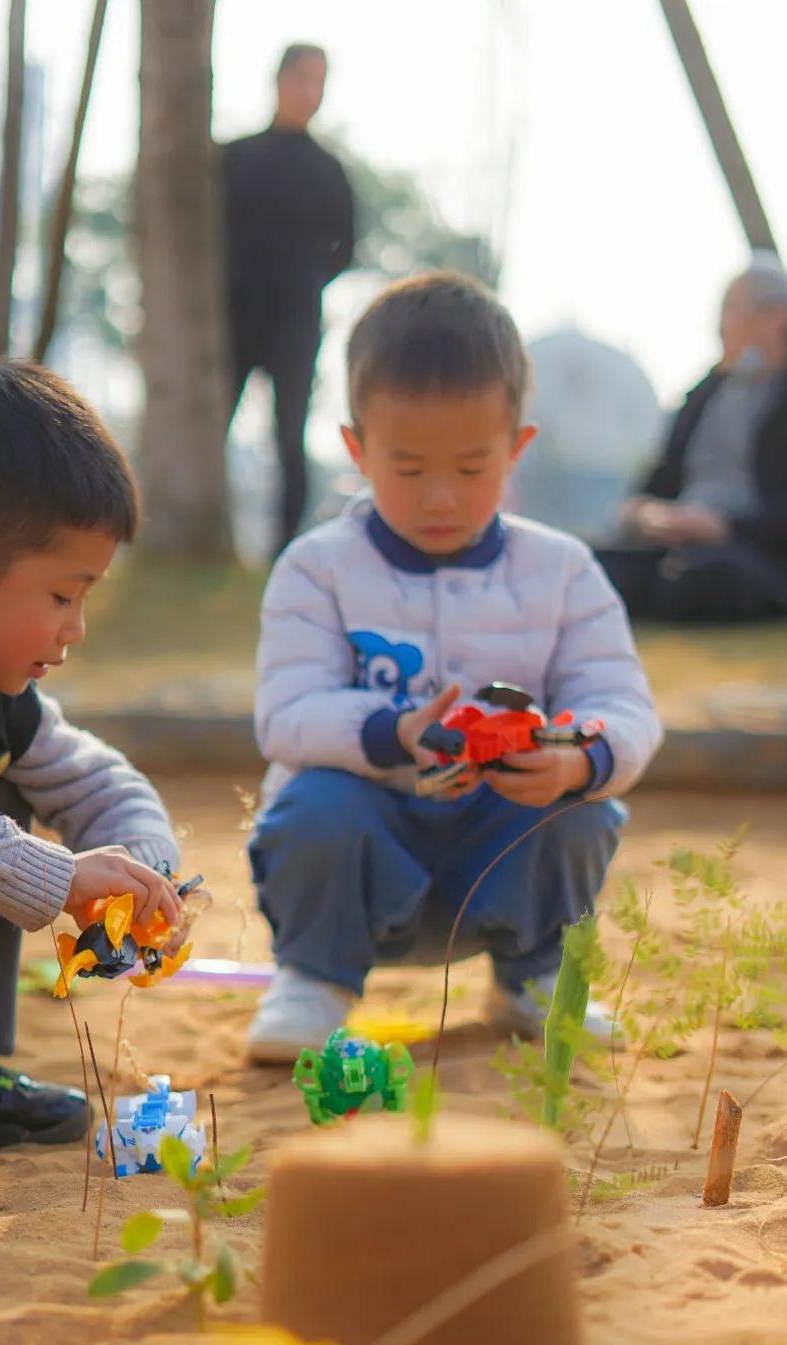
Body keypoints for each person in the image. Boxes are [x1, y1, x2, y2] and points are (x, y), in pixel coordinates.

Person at [245, 271, 662, 1063]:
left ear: (517, 448)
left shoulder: (562, 569)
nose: (440, 496)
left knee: (585, 807)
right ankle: (312, 979)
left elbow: (620, 700)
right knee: (312, 805)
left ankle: (532, 977)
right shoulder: (317, 568)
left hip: (500, 849)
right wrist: (394, 731)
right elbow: (285, 712)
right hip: (367, 849)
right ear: (356, 450)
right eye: (407, 468)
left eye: (471, 469)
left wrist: (577, 758)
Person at [0, 361, 185, 1187]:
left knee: (4, 790)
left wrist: (141, 870)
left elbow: (99, 782)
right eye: (64, 594)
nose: (78, 626)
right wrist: (59, 876)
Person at [597, 253, 787, 623]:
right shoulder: (705, 394)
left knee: (702, 577)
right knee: (593, 566)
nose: (720, 325)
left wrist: (724, 527)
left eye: (732, 310)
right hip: (677, 541)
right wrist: (645, 513)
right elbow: (659, 479)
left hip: (751, 550)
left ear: (775, 318)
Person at [221, 43, 355, 557]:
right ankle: (212, 539)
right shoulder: (236, 158)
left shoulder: (328, 171)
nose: (310, 92)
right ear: (278, 81)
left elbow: (346, 248)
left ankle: (283, 552)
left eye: (319, 81)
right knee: (213, 431)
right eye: (302, 79)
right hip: (232, 318)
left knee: (290, 439)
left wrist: (305, 283)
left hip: (296, 324)